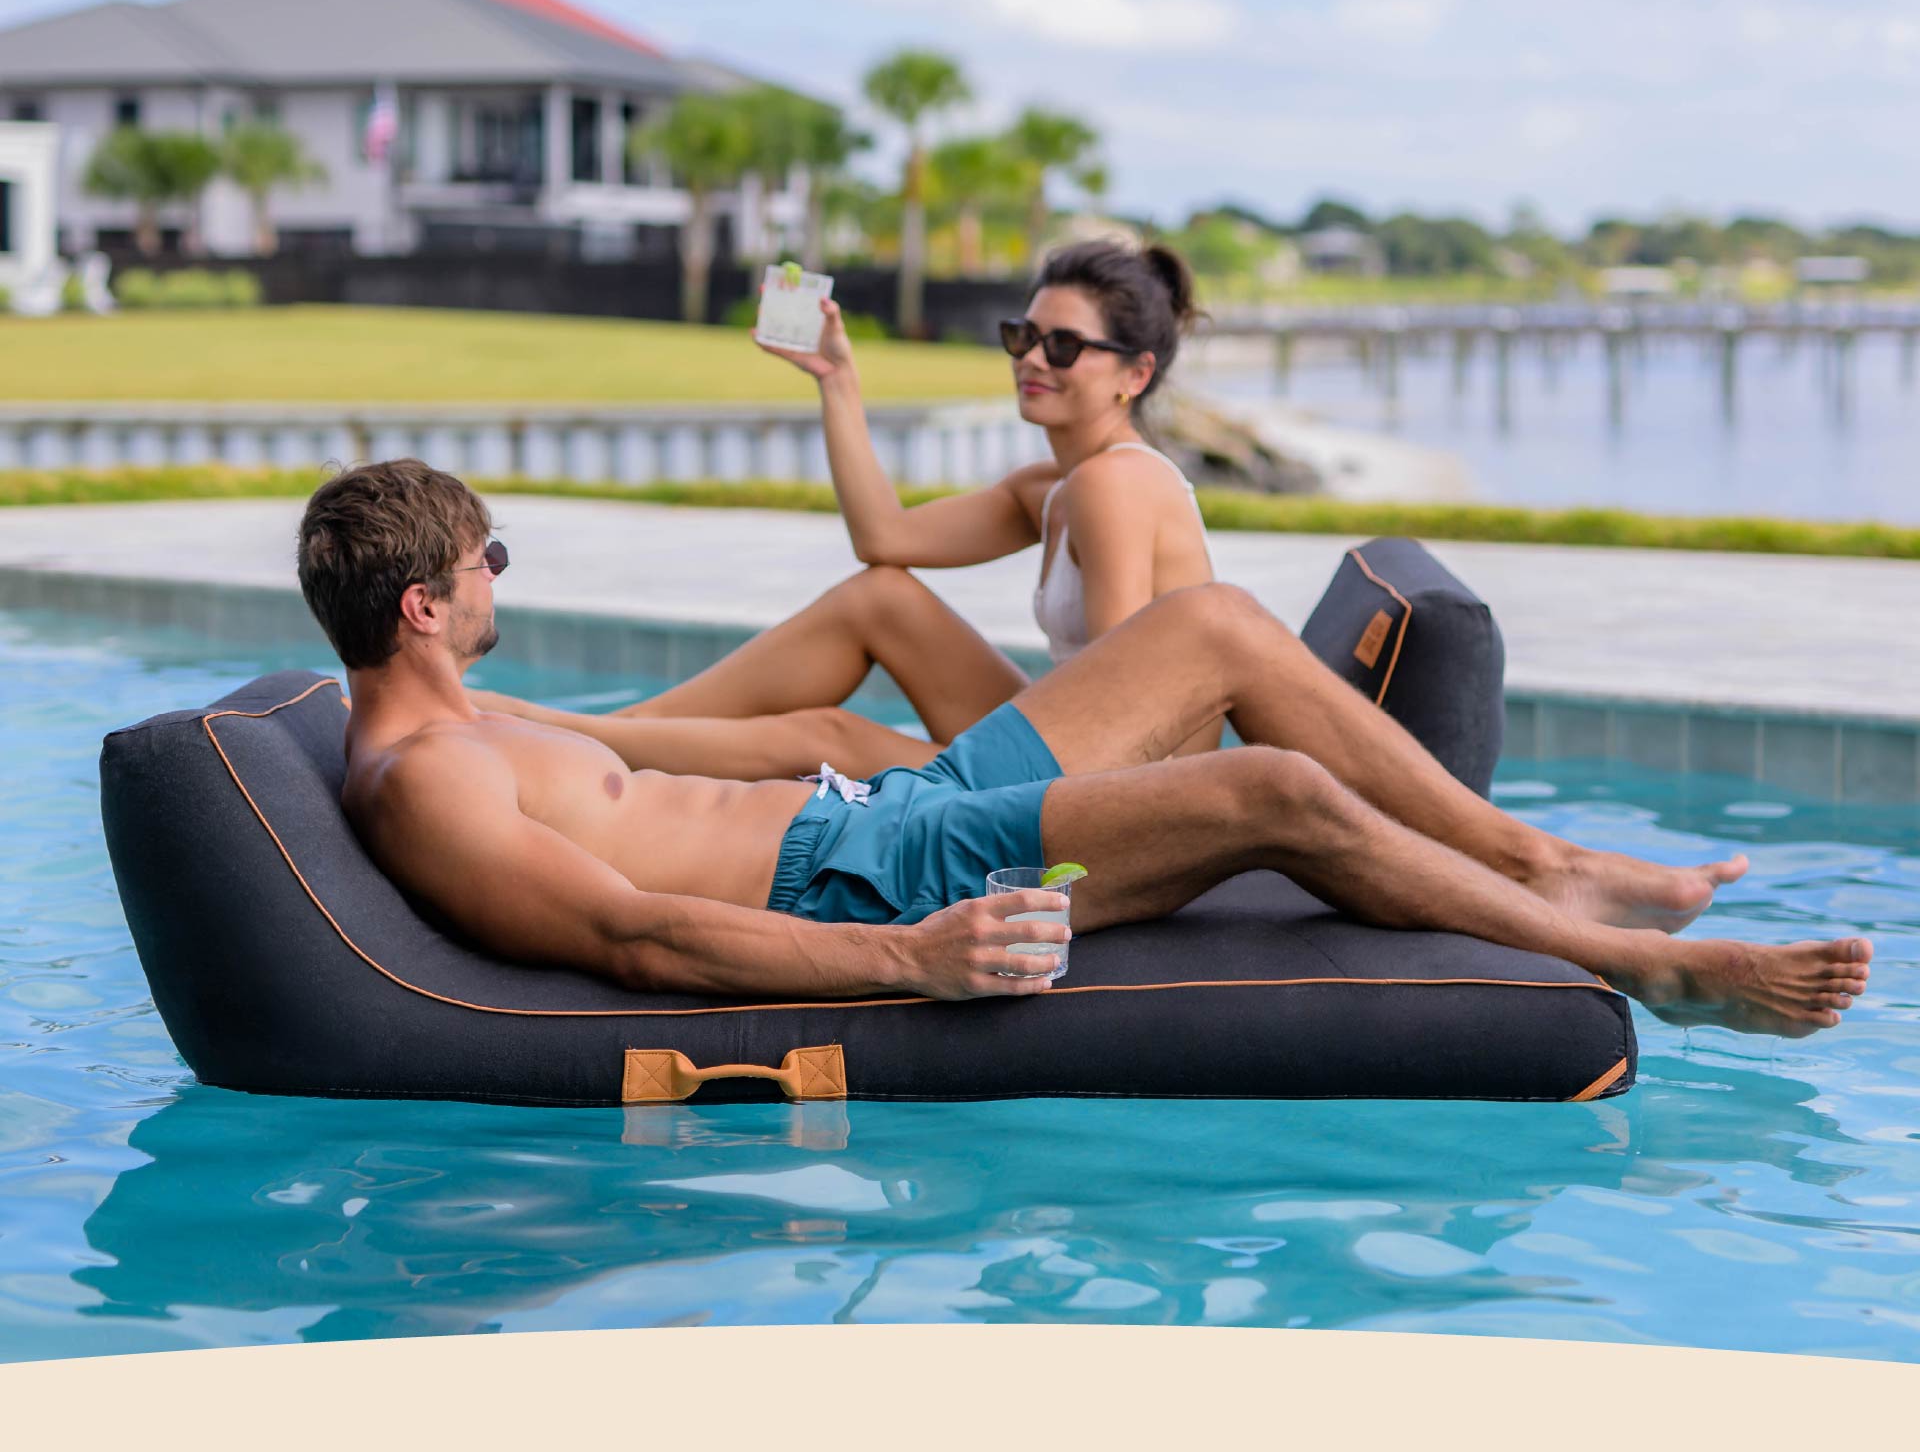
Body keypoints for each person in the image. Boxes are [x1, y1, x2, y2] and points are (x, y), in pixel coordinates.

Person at [296, 459, 1872, 1038]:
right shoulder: (432, 780)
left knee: (1219, 631)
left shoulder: (461, 717)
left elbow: (692, 760)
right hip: (861, 882)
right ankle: (1663, 979)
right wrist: (915, 964)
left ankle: (1548, 862)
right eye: (494, 556)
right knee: (1275, 791)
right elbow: (636, 941)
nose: (510, 572)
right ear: (430, 604)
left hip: (879, 808)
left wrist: (846, 747)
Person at [471, 239, 1220, 777]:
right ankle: (613, 733)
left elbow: (1130, 708)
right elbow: (885, 539)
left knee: (825, 736)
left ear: (1136, 373)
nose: (1030, 359)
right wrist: (838, 380)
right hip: (1073, 745)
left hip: (1116, 787)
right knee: (883, 598)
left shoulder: (1115, 485)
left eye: (1062, 347)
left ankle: (570, 735)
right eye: (1022, 336)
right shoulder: (1047, 488)